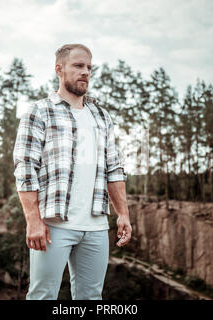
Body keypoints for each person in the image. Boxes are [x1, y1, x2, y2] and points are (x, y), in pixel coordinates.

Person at [13, 43, 132, 300]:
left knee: (91, 298)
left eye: (89, 67)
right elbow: (25, 168)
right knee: (43, 296)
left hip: (97, 227)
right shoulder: (39, 111)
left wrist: (123, 213)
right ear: (59, 69)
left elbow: (114, 168)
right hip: (54, 226)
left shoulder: (102, 117)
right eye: (78, 66)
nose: (85, 72)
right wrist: (33, 219)